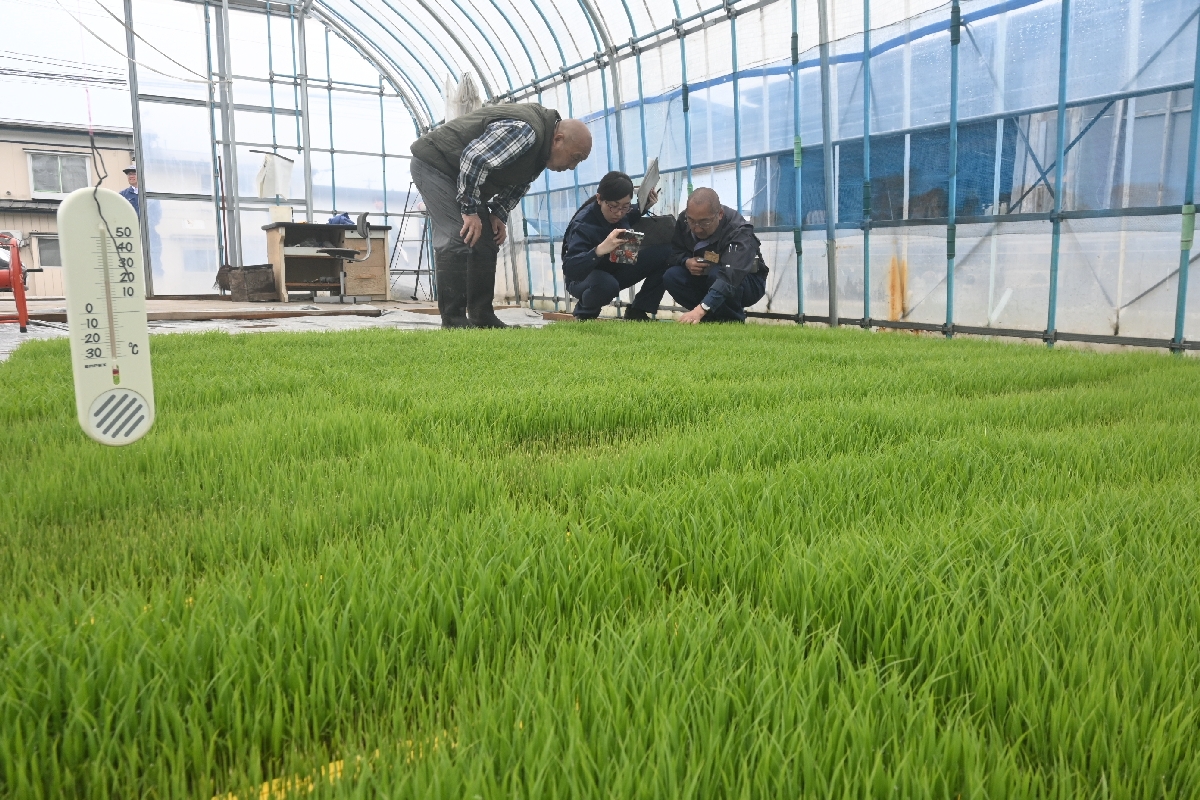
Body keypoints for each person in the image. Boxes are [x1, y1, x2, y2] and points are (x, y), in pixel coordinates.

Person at [410, 103, 592, 328]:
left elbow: (519, 182)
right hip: (436, 165)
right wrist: (469, 210)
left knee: (487, 241)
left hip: (463, 177)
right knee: (459, 234)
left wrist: (498, 213)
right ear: (559, 139)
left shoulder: (541, 151)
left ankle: (481, 316)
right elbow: (475, 159)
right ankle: (454, 321)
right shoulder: (526, 132)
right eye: (575, 158)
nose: (573, 167)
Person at [560, 171, 668, 320]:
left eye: (625, 206)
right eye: (613, 206)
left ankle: (638, 310)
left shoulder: (623, 212)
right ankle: (584, 314)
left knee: (667, 254)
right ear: (599, 199)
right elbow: (570, 269)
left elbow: (631, 213)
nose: (618, 213)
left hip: (615, 267)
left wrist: (645, 205)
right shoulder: (583, 224)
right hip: (584, 278)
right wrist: (599, 250)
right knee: (606, 285)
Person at [663, 188, 768, 323]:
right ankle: (709, 318)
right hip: (706, 277)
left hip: (747, 282)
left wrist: (700, 309)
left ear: (720, 214)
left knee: (717, 274)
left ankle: (731, 320)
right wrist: (686, 261)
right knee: (671, 276)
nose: (697, 228)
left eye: (704, 222)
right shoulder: (684, 220)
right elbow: (674, 252)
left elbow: (731, 275)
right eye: (692, 221)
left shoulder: (738, 231)